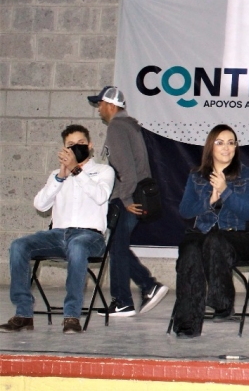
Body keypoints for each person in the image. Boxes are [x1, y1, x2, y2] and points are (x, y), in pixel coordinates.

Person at [0, 125, 114, 334]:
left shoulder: (103, 171)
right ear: (64, 148)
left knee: (77, 246)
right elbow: (40, 205)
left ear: (90, 145)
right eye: (71, 145)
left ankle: (71, 316)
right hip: (57, 235)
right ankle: (23, 314)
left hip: (89, 236)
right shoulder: (56, 174)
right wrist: (61, 176)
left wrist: (76, 170)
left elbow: (100, 196)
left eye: (81, 143)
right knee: (18, 246)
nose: (76, 147)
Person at [172, 125, 249, 339]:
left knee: (215, 241)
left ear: (236, 147)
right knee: (190, 250)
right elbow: (185, 210)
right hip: (202, 232)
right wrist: (208, 201)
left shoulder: (247, 175)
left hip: (236, 236)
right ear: (211, 146)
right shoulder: (196, 176)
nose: (226, 148)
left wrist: (225, 191)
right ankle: (187, 325)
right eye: (220, 143)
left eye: (231, 143)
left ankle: (222, 303)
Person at [88, 86, 168, 317]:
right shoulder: (129, 126)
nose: (98, 109)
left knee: (117, 247)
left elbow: (128, 172)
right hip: (134, 195)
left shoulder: (117, 127)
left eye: (100, 104)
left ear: (110, 105)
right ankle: (145, 288)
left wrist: (124, 199)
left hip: (128, 197)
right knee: (117, 247)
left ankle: (126, 299)